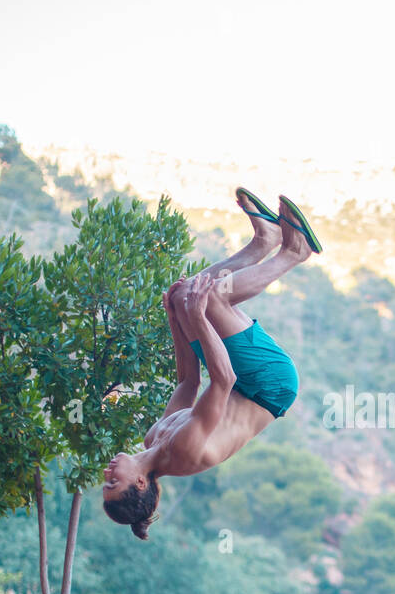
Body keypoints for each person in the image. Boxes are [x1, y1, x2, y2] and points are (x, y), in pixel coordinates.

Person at [102, 189, 322, 539]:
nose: (108, 473)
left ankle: (263, 242)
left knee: (182, 295)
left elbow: (189, 382)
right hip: (269, 387)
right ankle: (295, 252)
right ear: (141, 483)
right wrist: (198, 317)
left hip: (240, 381)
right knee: (210, 299)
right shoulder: (183, 451)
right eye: (115, 482)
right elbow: (222, 380)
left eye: (106, 483)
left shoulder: (153, 439)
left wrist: (175, 317)